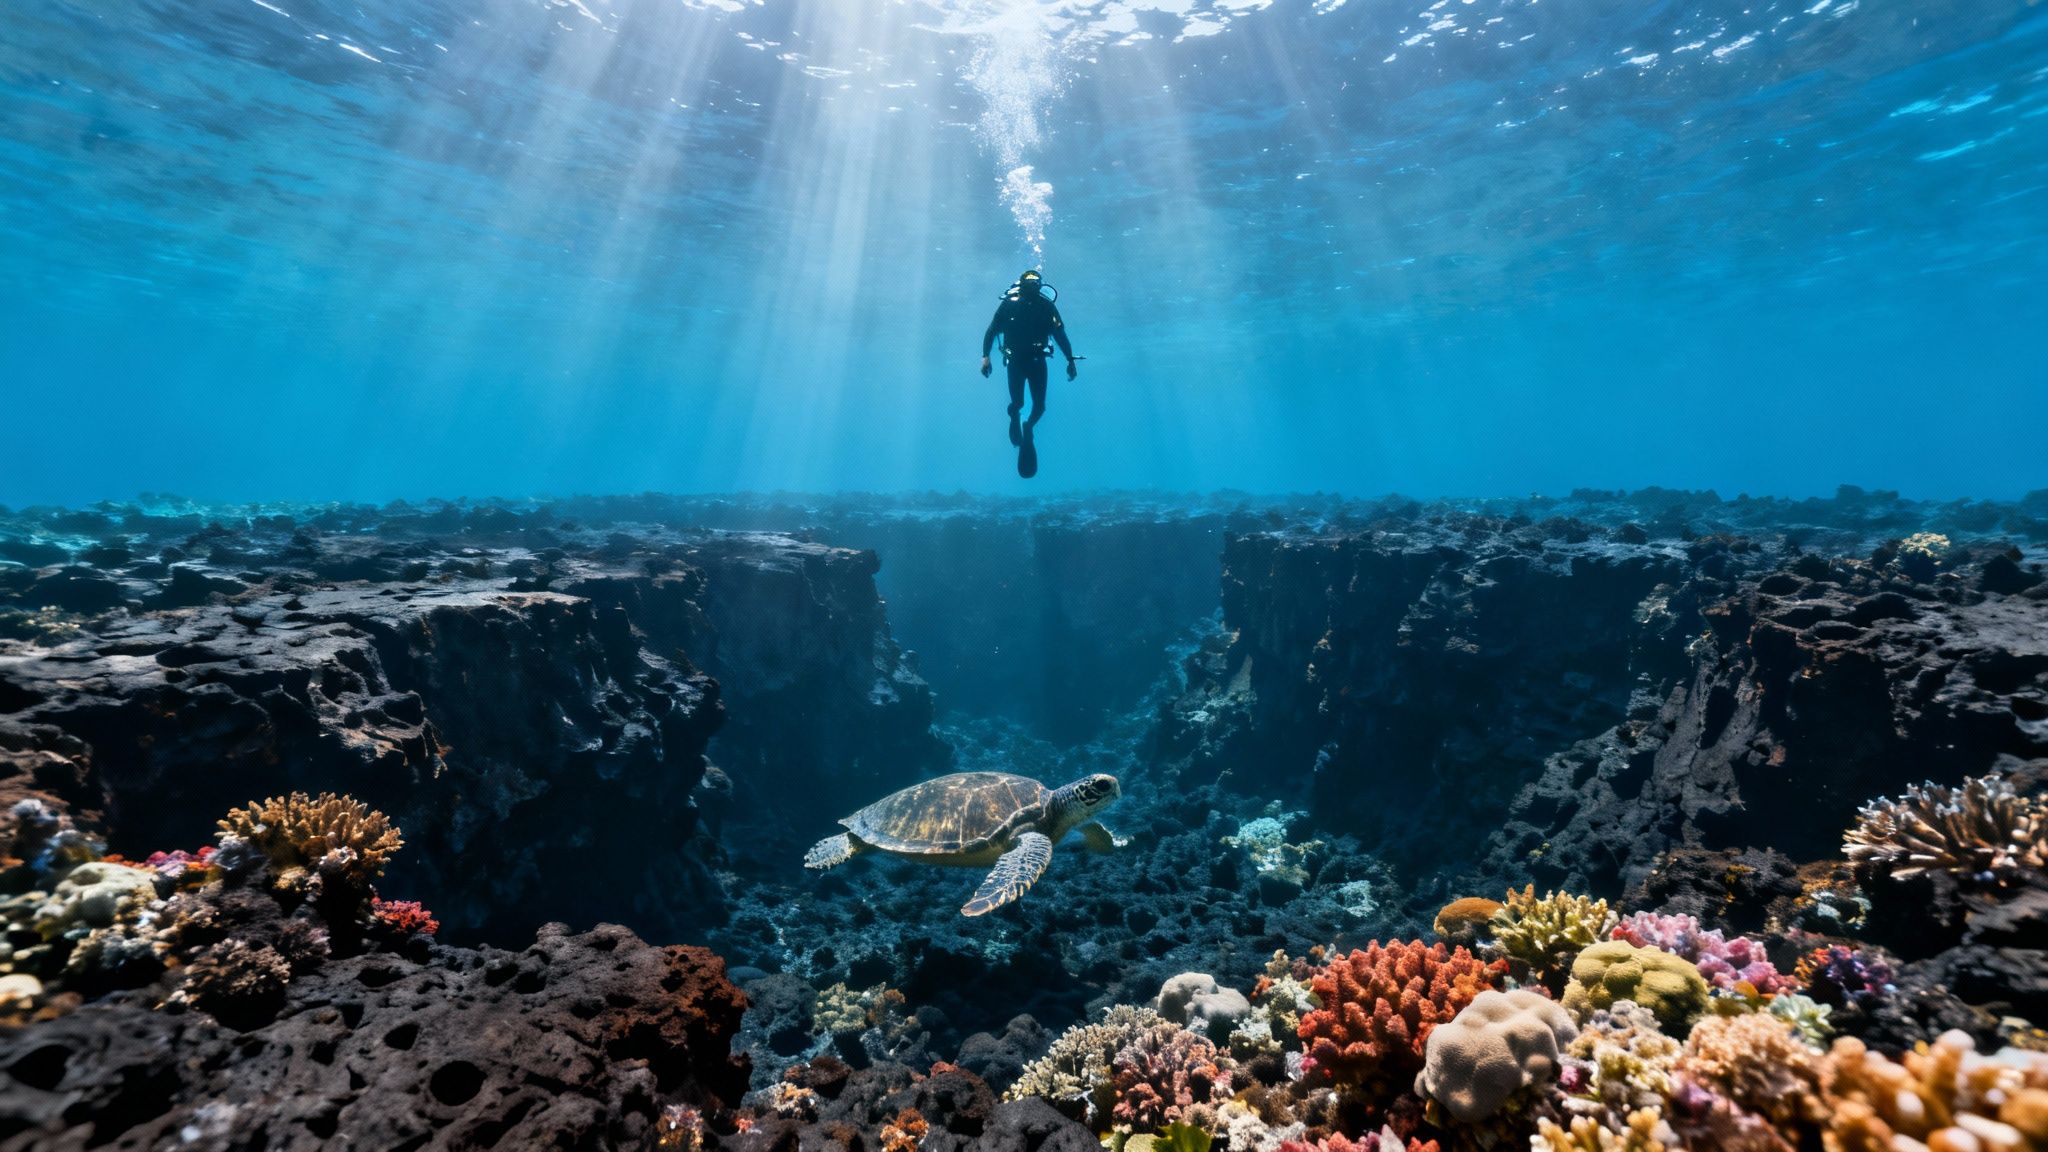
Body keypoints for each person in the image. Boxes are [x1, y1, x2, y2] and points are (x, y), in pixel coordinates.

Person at [980, 269, 1077, 450]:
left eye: (1035, 281)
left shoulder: (1047, 307)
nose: (1032, 284)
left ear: (1040, 285)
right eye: (1029, 281)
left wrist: (1070, 359)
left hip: (1036, 361)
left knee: (1040, 407)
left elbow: (1060, 335)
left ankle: (1028, 426)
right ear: (1022, 284)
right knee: (1018, 403)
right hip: (1016, 362)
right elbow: (992, 330)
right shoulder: (1009, 305)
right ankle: (1014, 414)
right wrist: (985, 357)